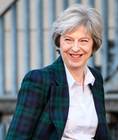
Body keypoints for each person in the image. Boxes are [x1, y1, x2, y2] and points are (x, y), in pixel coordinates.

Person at [6, 4, 110, 140]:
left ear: (93, 44)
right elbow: (16, 137)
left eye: (84, 41)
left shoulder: (95, 79)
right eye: (68, 39)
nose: (75, 48)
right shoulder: (39, 80)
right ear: (59, 42)